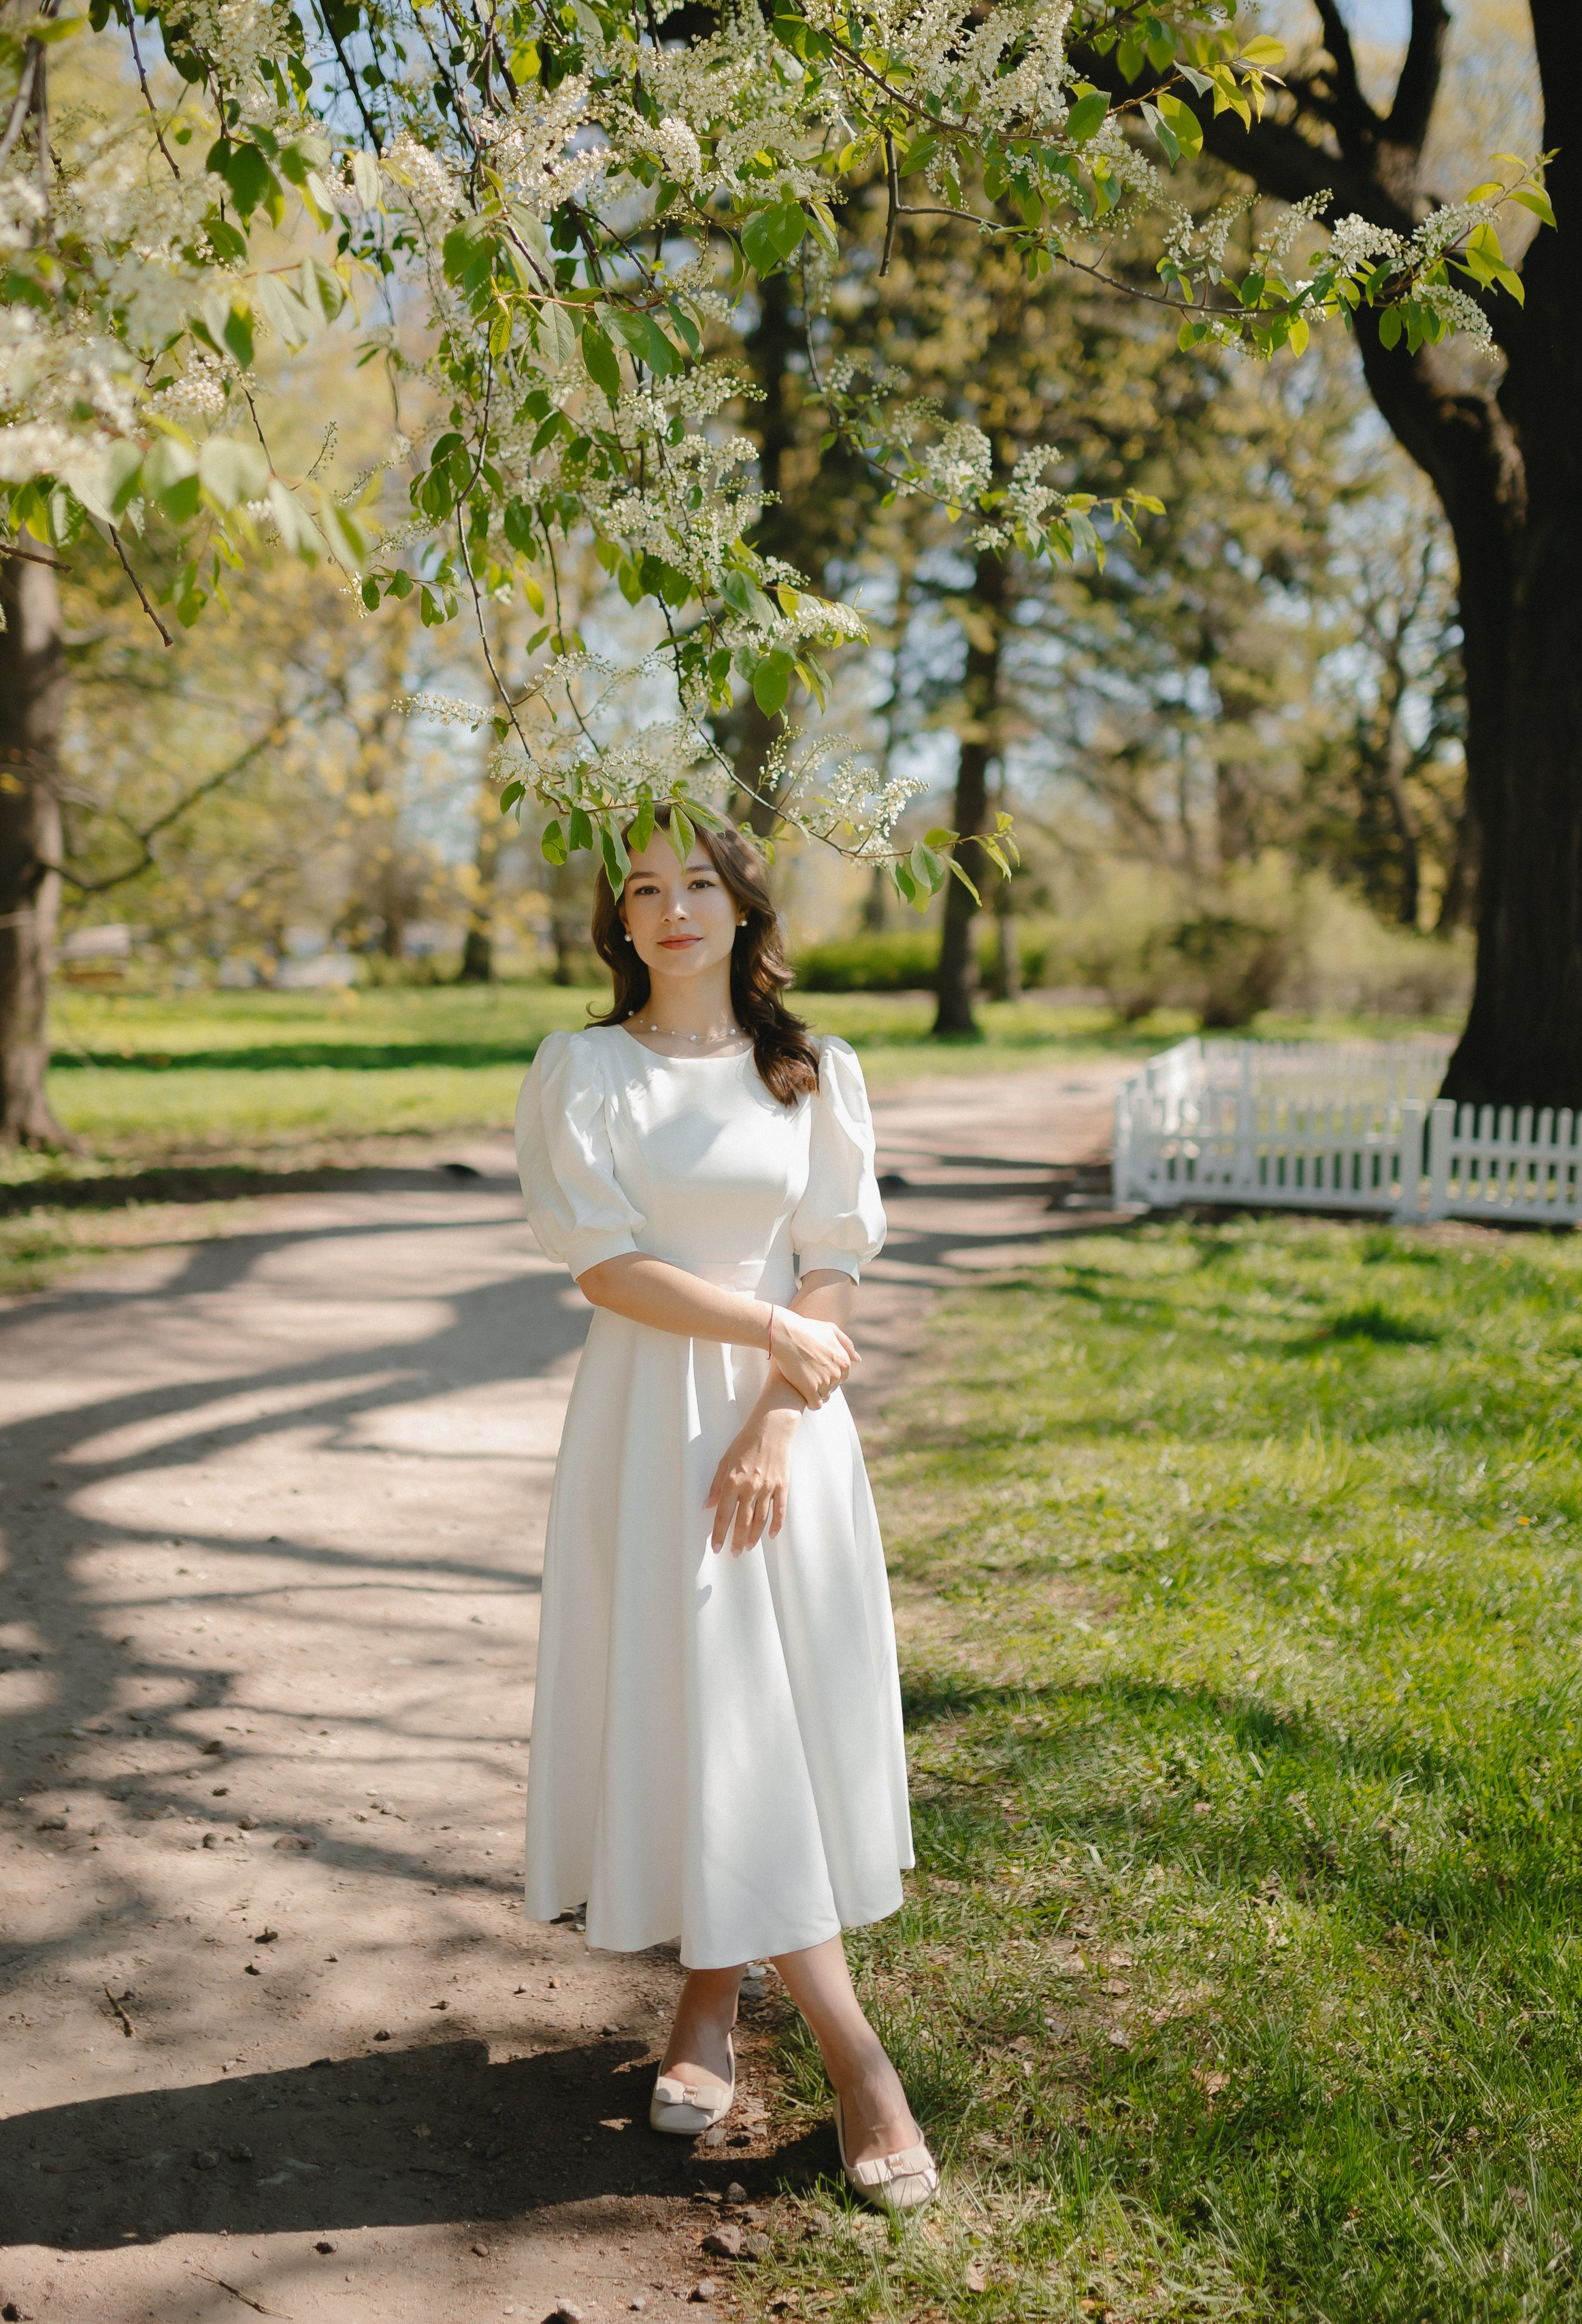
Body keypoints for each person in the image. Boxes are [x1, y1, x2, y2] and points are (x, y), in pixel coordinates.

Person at [514, 811, 939, 2214]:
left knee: (760, 1713)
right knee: (713, 1710)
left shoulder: (810, 1071)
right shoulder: (582, 1070)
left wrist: (771, 1413)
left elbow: (834, 1258)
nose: (671, 907)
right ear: (617, 920)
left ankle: (710, 2008)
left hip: (783, 1436)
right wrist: (762, 1328)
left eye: (698, 881)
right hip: (646, 1432)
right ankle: (856, 2059)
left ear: (743, 905)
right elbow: (607, 1268)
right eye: (643, 887)